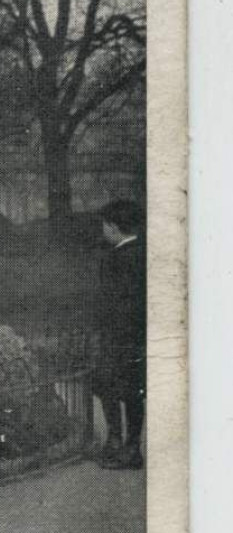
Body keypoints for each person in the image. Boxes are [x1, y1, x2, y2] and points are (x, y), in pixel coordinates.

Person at [93, 199, 146, 470]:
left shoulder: (119, 258)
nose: (102, 229)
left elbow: (117, 301)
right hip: (134, 337)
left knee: (111, 387)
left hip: (119, 337)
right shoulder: (141, 253)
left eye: (104, 224)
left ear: (114, 227)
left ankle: (120, 445)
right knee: (131, 393)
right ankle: (128, 446)